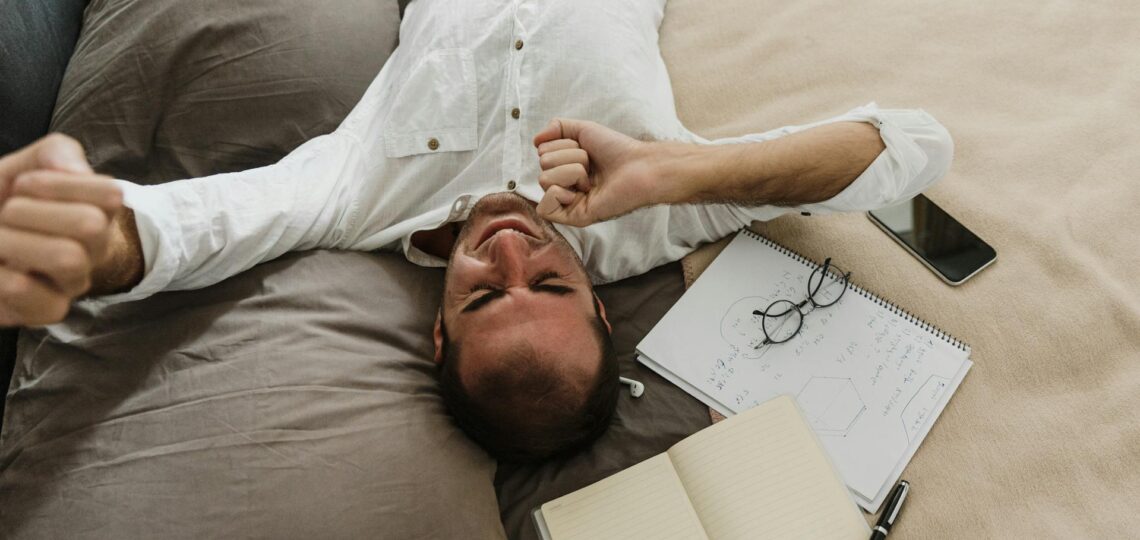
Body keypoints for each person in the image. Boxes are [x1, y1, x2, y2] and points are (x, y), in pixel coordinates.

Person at [0, 0, 952, 461]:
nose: (506, 249)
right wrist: (669, 166)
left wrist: (93, 242)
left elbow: (212, 222)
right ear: (605, 313)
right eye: (549, 284)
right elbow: (915, 145)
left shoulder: (361, 196)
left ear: (439, 329)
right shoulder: (652, 216)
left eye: (484, 293)